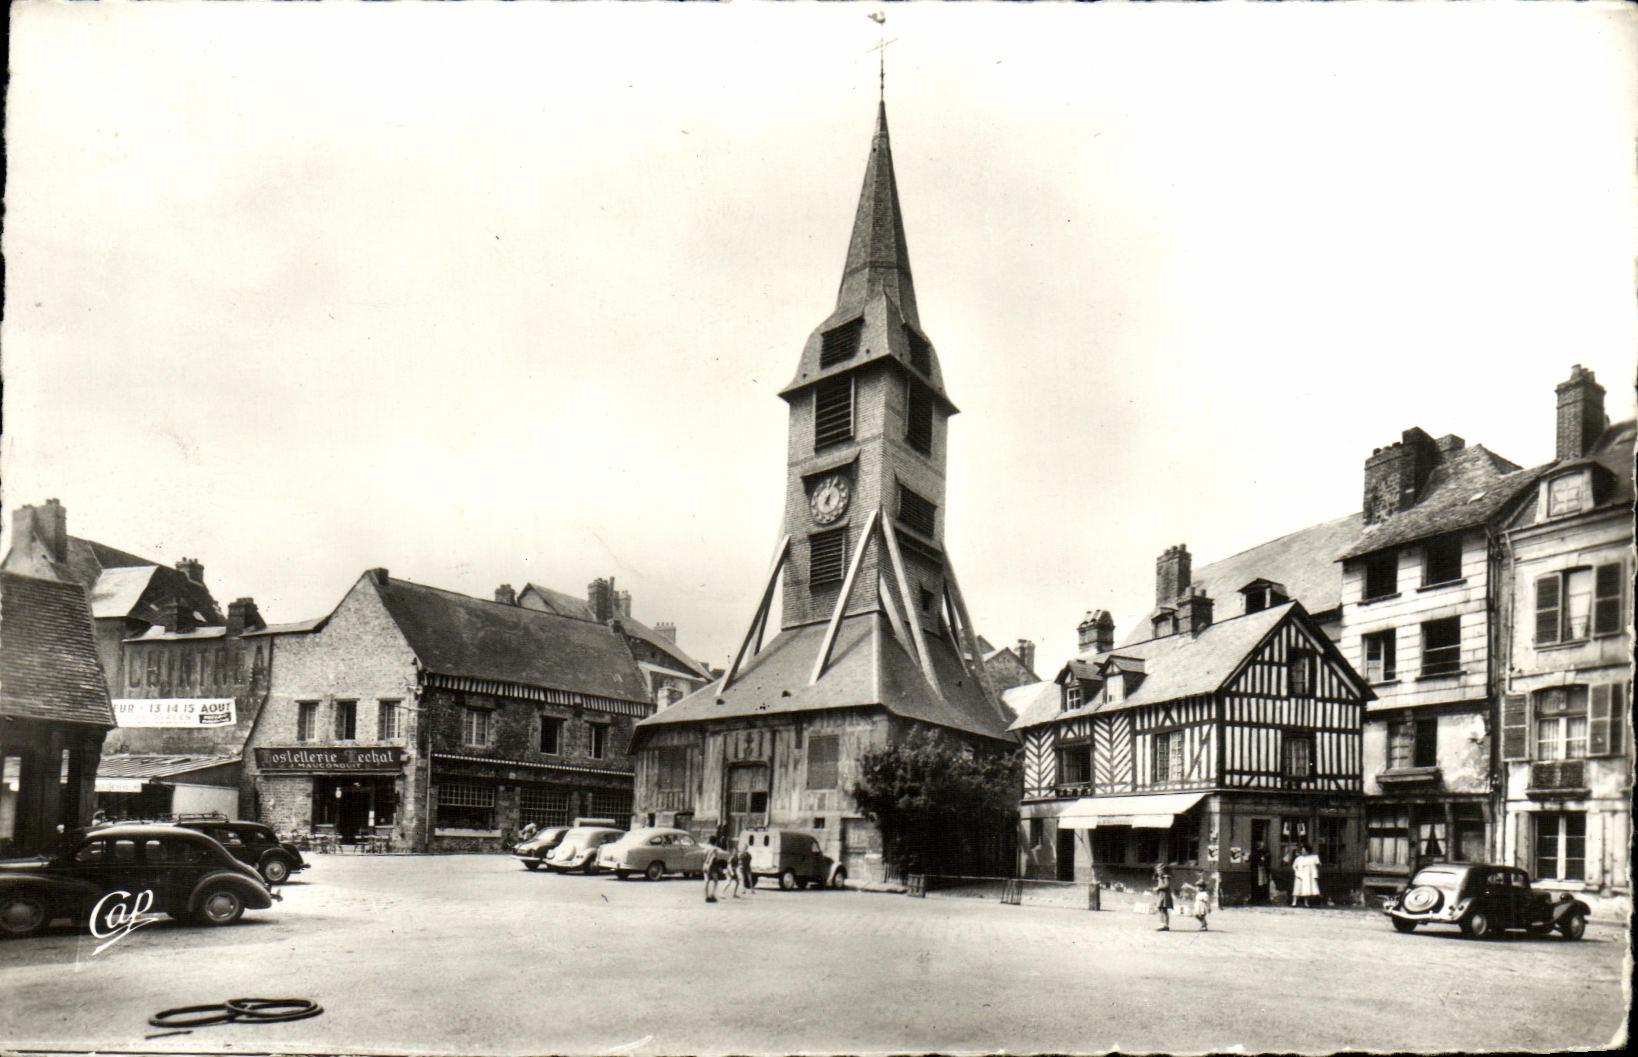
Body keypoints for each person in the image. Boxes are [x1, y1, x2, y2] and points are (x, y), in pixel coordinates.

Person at [1292, 843, 1322, 908]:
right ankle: (1294, 902)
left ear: (1307, 851)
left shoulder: (1312, 858)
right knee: (1297, 887)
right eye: (1302, 851)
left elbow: (1318, 864)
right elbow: (1294, 866)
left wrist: (1315, 872)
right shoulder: (1299, 858)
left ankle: (1306, 903)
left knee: (1307, 888)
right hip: (1300, 874)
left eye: (1304, 851)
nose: (1303, 852)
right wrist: (1296, 872)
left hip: (1308, 875)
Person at [702, 830, 728, 903]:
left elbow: (704, 857)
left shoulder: (706, 848)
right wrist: (715, 867)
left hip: (705, 865)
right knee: (715, 881)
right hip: (712, 866)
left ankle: (706, 896)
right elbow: (714, 858)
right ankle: (712, 894)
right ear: (715, 842)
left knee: (706, 881)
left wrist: (705, 864)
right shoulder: (715, 849)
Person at [1153, 862, 1174, 931]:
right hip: (1161, 895)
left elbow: (1166, 885)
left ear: (1163, 870)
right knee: (1160, 909)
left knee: (1164, 909)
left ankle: (1166, 925)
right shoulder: (1160, 877)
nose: (1158, 872)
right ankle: (1162, 924)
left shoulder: (1165, 877)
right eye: (1157, 870)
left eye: (1160, 870)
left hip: (1164, 895)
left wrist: (1158, 888)